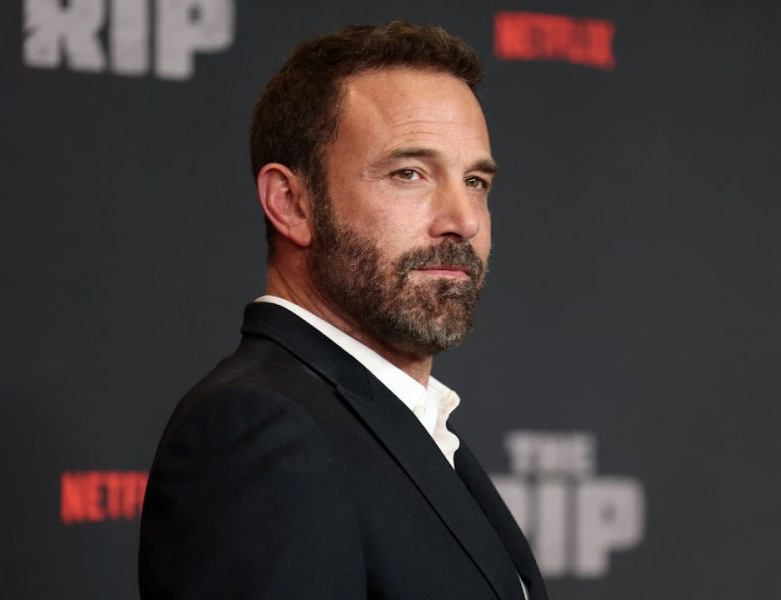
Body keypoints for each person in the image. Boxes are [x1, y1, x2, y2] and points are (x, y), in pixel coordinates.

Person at [138, 21, 546, 600]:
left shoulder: (401, 420)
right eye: (409, 173)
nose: (463, 219)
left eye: (476, 181)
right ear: (291, 204)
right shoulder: (261, 431)